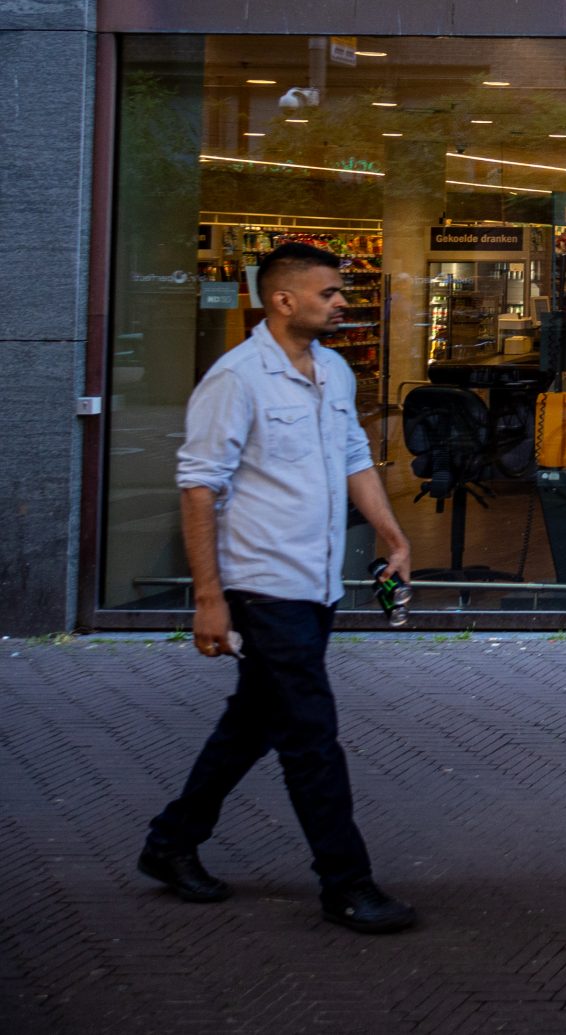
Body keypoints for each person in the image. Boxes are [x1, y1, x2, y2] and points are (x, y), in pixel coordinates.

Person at [137, 242, 418, 934]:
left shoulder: (333, 372)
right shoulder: (237, 379)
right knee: (311, 736)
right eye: (328, 292)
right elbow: (199, 487)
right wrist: (210, 596)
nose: (342, 301)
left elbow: (355, 457)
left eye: (340, 291)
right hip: (264, 583)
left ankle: (171, 842)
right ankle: (346, 883)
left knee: (253, 722)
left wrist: (392, 535)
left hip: (315, 579)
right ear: (283, 299)